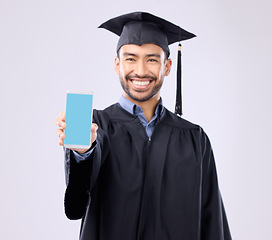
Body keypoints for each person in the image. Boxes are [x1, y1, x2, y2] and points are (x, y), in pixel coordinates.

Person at [55, 12, 232, 240]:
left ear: (167, 66)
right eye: (130, 58)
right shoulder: (97, 128)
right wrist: (82, 153)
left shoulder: (194, 139)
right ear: (117, 64)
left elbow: (212, 221)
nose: (140, 70)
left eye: (151, 59)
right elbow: (75, 206)